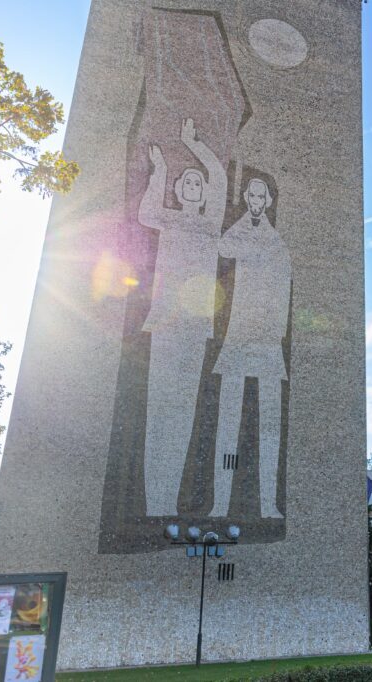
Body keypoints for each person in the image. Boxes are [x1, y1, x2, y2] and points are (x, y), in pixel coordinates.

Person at [137, 118, 226, 516]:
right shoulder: (169, 219)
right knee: (159, 406)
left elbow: (219, 177)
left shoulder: (209, 224)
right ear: (177, 190)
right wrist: (159, 172)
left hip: (194, 326)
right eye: (186, 182)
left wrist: (194, 145)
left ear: (204, 193)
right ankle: (153, 500)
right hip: (164, 322)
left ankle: (168, 501)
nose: (193, 185)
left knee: (183, 410)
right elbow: (146, 213)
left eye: (197, 183)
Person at [211, 178, 291, 518]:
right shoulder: (242, 232)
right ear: (246, 198)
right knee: (228, 422)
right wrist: (246, 219)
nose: (257, 201)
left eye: (261, 196)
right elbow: (224, 247)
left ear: (269, 200)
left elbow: (284, 290)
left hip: (268, 341)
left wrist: (277, 332)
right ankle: (220, 503)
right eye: (252, 195)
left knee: (270, 428)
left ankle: (269, 503)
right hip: (239, 335)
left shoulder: (278, 244)